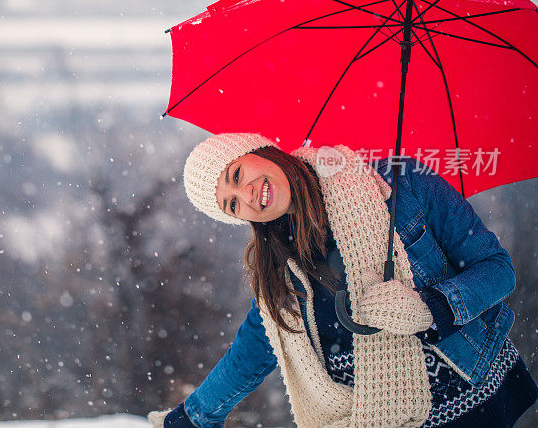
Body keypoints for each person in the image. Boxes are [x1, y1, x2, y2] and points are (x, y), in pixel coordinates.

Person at [148, 133, 537, 428]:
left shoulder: (401, 184)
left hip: (470, 395)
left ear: (260, 150)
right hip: (369, 416)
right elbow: (255, 349)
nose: (247, 196)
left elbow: (497, 270)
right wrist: (192, 417)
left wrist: (432, 307)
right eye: (232, 205)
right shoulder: (279, 265)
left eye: (236, 174)